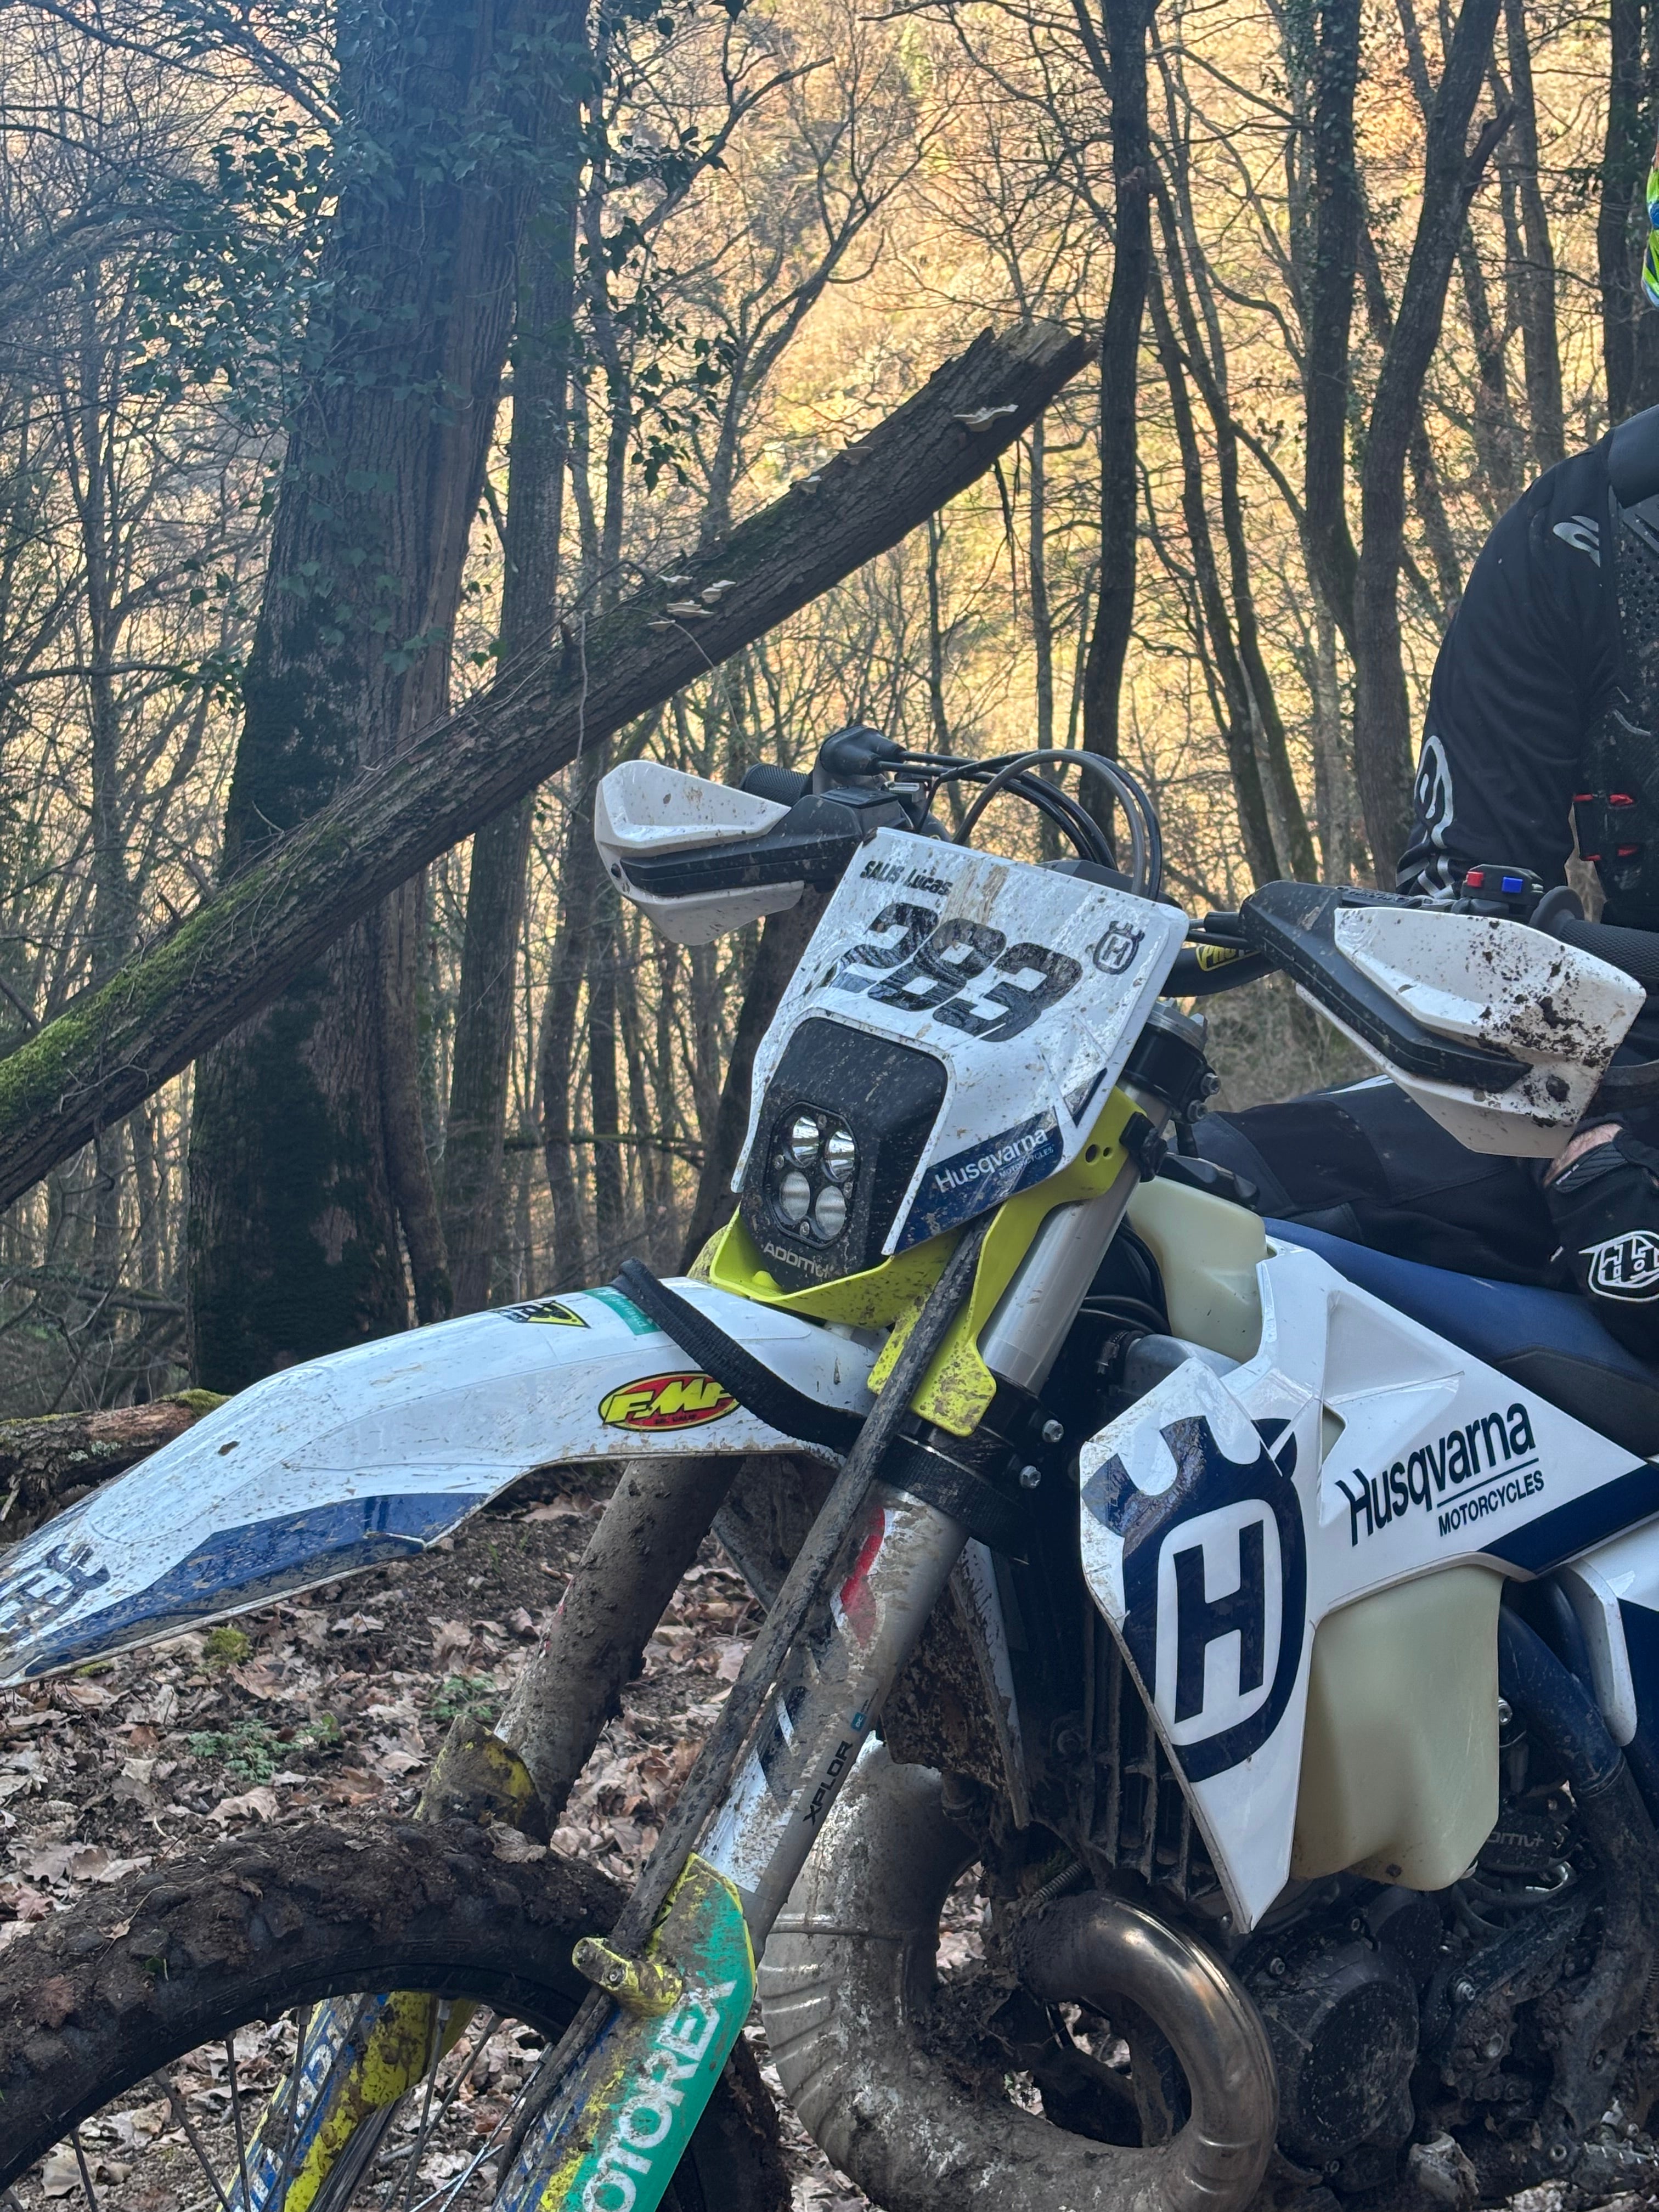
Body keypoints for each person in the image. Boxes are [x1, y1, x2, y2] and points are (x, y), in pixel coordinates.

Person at [1195, 196, 1659, 1359]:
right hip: (1625, 1078)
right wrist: (1572, 1133)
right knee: (1193, 1196)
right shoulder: (1580, 542)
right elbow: (1465, 895)